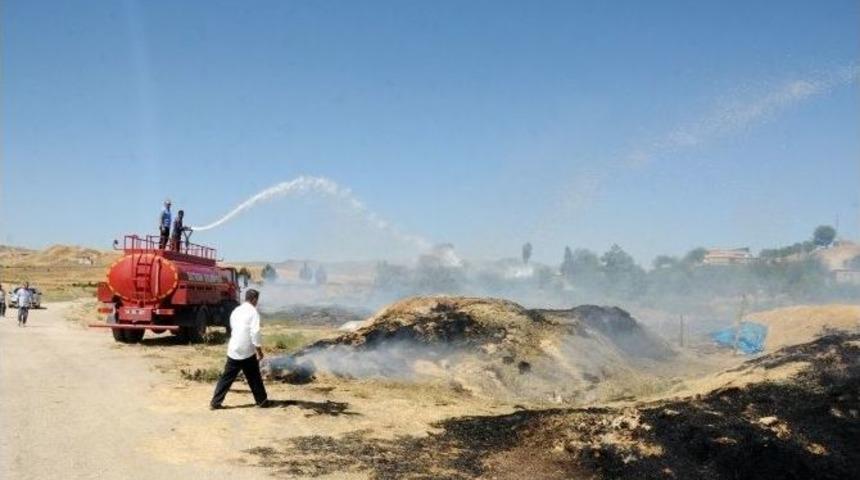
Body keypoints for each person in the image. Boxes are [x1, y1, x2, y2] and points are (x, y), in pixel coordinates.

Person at [210, 289, 269, 409]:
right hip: (246, 350)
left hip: (233, 348)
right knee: (254, 377)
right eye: (257, 300)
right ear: (254, 299)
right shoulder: (253, 312)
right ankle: (262, 401)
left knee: (226, 377)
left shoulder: (236, 310)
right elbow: (255, 332)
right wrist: (259, 351)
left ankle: (215, 402)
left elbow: (233, 327)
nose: (257, 302)